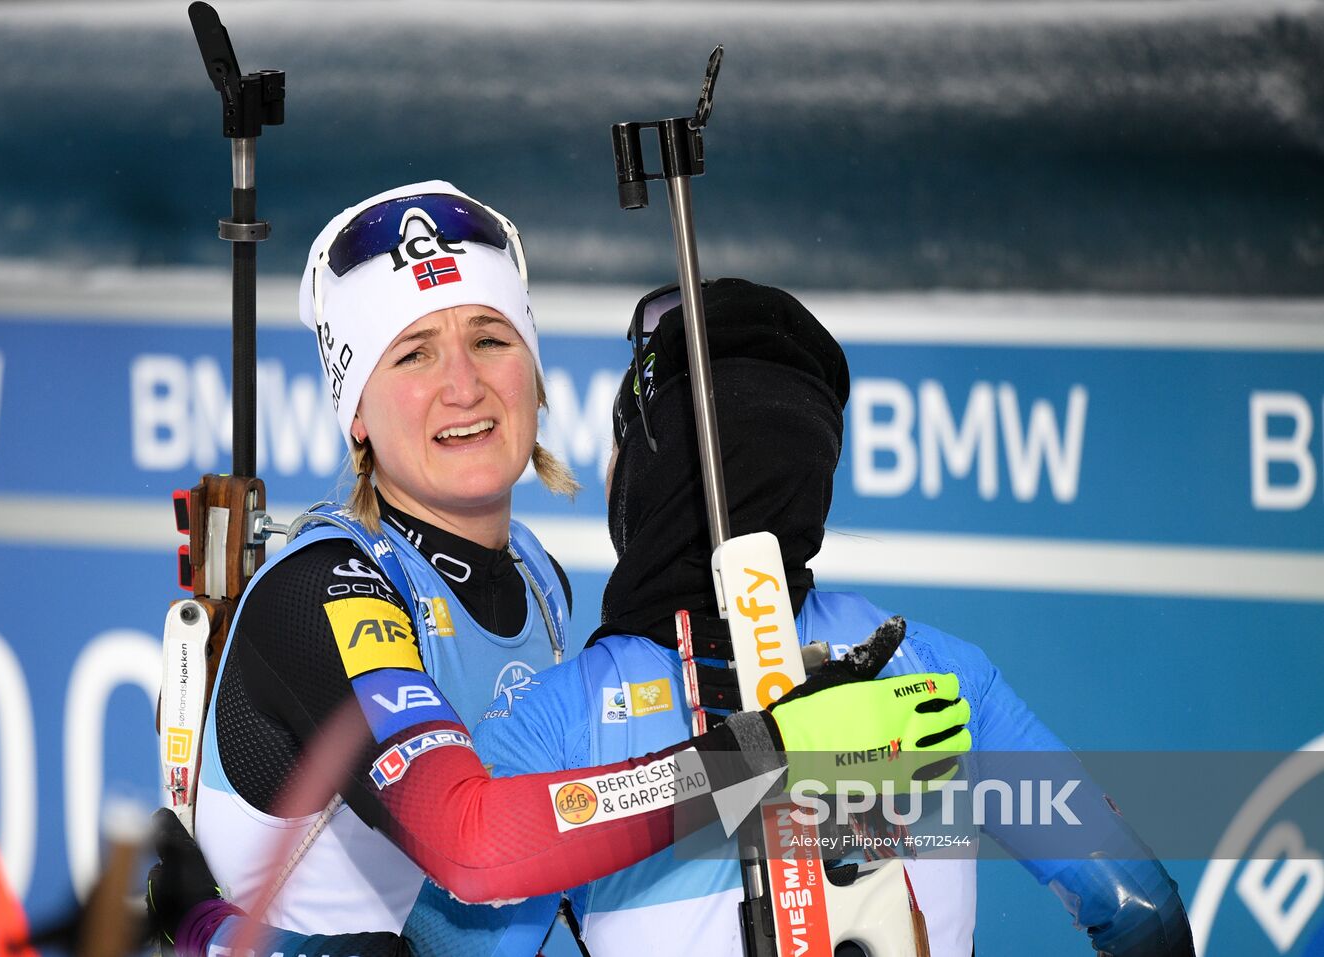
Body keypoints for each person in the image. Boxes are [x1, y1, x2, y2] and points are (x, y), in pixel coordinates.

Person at [154, 277, 1194, 956]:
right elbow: (1139, 910)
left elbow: (451, 916)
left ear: (645, 478)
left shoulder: (569, 711)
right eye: (415, 351)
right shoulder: (936, 674)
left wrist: (205, 934)